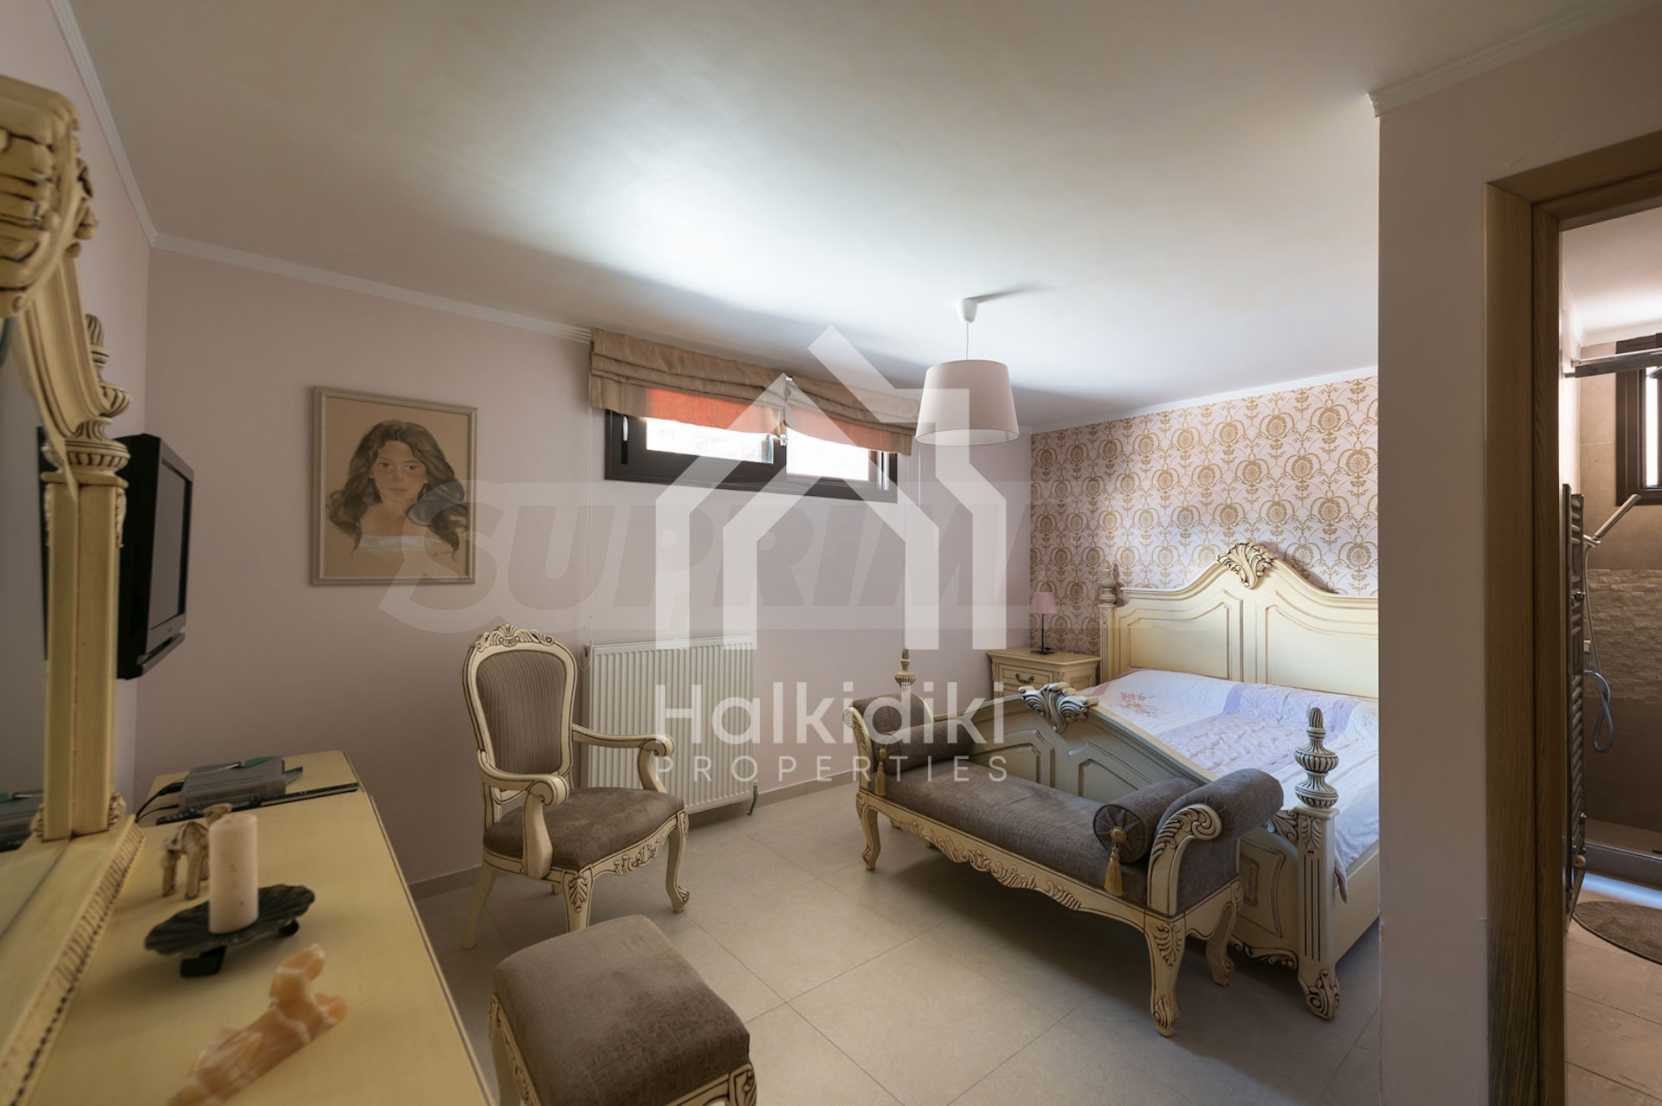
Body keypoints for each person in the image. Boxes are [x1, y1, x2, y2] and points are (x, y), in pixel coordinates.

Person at [326, 420, 467, 577]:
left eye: (411, 467)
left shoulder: (450, 523)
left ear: (428, 474)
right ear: (370, 470)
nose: (398, 477)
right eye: (386, 465)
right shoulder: (347, 518)